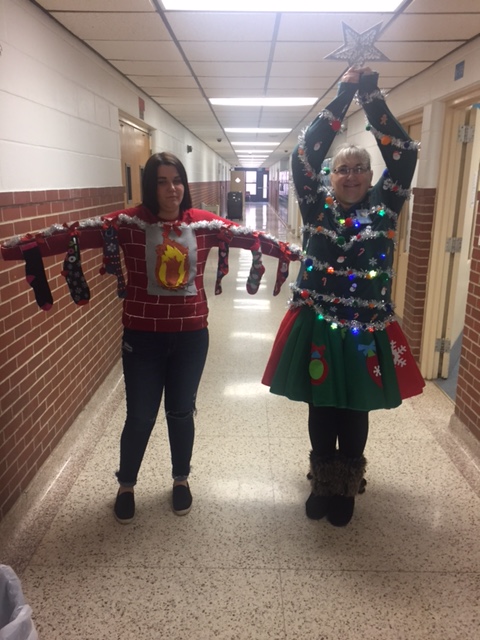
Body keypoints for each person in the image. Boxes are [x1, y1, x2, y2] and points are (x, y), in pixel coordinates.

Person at [1, 152, 300, 524]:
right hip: (142, 340)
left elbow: (252, 239)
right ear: (149, 186)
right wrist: (11, 249)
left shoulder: (204, 224)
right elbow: (69, 236)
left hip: (191, 337)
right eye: (162, 181)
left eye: (177, 180)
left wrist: (296, 253)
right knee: (140, 416)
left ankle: (181, 479)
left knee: (181, 411)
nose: (172, 189)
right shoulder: (128, 224)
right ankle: (126, 485)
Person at [262, 67, 425, 527]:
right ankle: (323, 481)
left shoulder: (386, 204)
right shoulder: (315, 204)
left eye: (359, 169)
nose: (350, 176)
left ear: (371, 175)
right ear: (330, 176)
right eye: (342, 169)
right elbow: (303, 156)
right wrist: (343, 95)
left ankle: (347, 487)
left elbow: (406, 153)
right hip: (319, 323)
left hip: (364, 331)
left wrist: (370, 96)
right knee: (322, 407)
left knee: (355, 407)